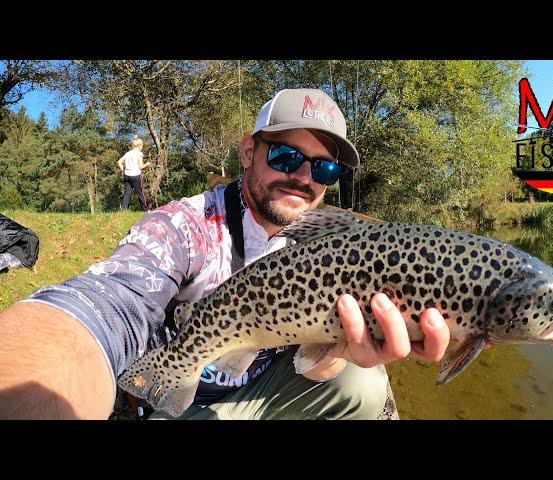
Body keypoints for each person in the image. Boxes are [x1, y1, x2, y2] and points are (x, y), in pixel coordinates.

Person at [0, 88, 453, 420]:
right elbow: (106, 308)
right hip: (189, 402)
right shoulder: (181, 228)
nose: (304, 177)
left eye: (324, 167)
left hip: (266, 383)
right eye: (286, 155)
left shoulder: (331, 241)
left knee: (364, 384)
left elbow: (312, 367)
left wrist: (339, 350)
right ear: (247, 151)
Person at [118, 135, 151, 211]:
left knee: (127, 193)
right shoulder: (139, 154)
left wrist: (124, 170)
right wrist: (147, 164)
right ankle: (146, 210)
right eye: (142, 146)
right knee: (140, 193)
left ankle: (123, 210)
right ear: (139, 146)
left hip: (127, 176)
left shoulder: (127, 154)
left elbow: (119, 162)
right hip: (136, 176)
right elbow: (140, 167)